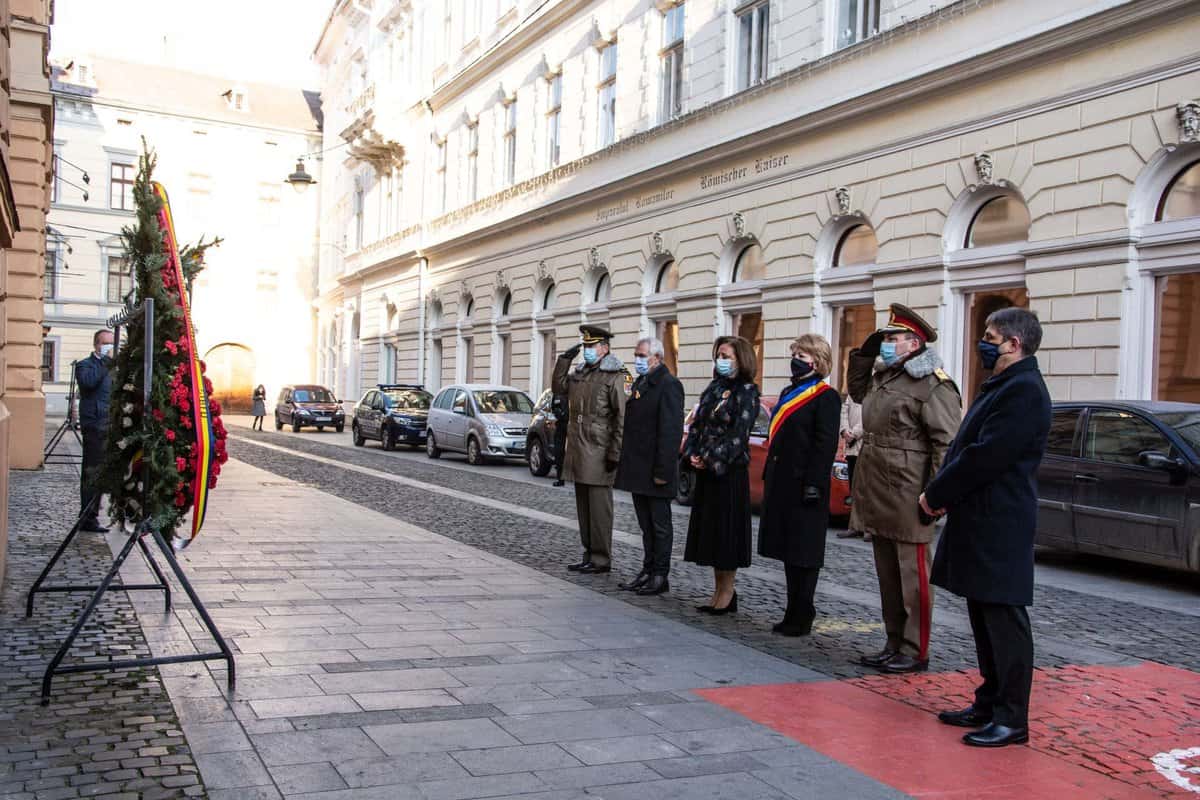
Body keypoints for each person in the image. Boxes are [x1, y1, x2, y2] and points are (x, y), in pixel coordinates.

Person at [919, 308, 1051, 748]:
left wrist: (936, 495)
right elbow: (966, 446)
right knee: (982, 614)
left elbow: (985, 455)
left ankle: (1012, 717)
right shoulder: (1004, 384)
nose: (985, 343)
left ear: (1014, 344)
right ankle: (990, 700)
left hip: (1001, 520)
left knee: (1003, 618)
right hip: (982, 516)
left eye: (991, 337)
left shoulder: (1024, 391)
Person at [847, 304, 961, 674]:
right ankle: (893, 641)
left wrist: (936, 496)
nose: (886, 344)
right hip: (879, 486)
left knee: (913, 578)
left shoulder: (934, 384)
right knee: (888, 574)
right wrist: (864, 354)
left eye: (892, 338)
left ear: (914, 343)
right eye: (885, 338)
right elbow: (858, 391)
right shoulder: (886, 377)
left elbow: (947, 444)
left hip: (911, 491)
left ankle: (915, 649)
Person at [757, 334, 842, 636]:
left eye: (802, 355)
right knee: (787, 550)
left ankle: (803, 611)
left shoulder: (825, 396)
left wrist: (815, 484)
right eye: (795, 353)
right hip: (783, 482)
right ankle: (792, 609)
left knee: (804, 553)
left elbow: (824, 445)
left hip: (807, 486)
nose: (796, 359)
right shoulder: (788, 392)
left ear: (817, 361)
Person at [683, 335, 760, 615]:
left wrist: (710, 457)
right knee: (712, 535)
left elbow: (739, 434)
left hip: (728, 473)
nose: (721, 361)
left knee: (727, 536)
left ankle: (728, 592)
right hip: (707, 474)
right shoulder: (713, 389)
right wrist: (693, 452)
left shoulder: (747, 392)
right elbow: (696, 424)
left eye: (726, 356)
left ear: (741, 359)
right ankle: (717, 589)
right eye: (719, 355)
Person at [553, 325, 627, 575]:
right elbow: (559, 387)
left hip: (599, 446)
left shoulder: (615, 375)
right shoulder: (581, 372)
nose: (587, 350)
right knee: (584, 507)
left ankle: (601, 558)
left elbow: (620, 418)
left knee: (599, 509)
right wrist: (565, 359)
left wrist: (615, 452)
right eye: (584, 346)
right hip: (578, 445)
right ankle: (588, 553)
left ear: (604, 348)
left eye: (591, 346)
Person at [615, 337, 685, 596]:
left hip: (656, 470)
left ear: (656, 357)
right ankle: (647, 569)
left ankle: (660, 574)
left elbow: (670, 432)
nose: (638, 359)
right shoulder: (642, 382)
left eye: (641, 355)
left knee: (660, 526)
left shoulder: (669, 385)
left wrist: (662, 471)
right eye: (636, 354)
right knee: (646, 526)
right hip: (639, 469)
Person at [76, 329, 115, 533]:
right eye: (105, 343)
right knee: (92, 473)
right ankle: (87, 517)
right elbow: (88, 383)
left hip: (109, 426)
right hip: (94, 426)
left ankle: (95, 514)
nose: (109, 347)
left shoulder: (112, 367)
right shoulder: (86, 365)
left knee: (103, 474)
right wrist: (105, 362)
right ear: (97, 346)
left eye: (111, 343)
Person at [835, 395, 866, 540]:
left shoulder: (876, 389)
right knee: (854, 488)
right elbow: (844, 411)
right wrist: (844, 430)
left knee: (868, 489)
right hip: (851, 448)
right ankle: (855, 525)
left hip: (865, 446)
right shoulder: (854, 392)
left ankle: (868, 527)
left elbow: (870, 416)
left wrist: (854, 434)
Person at [551, 391, 568, 487]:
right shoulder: (558, 392)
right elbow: (554, 407)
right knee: (559, 452)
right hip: (561, 425)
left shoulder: (576, 389)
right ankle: (560, 478)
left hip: (574, 425)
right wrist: (560, 414)